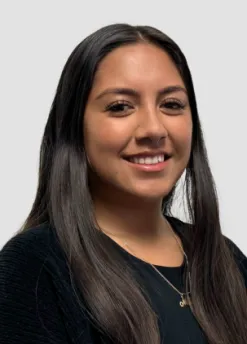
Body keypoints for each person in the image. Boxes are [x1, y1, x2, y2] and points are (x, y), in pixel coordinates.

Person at [0, 23, 246, 344]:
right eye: (120, 107)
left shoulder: (228, 261)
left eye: (171, 104)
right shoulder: (34, 269)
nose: (153, 129)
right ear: (75, 128)